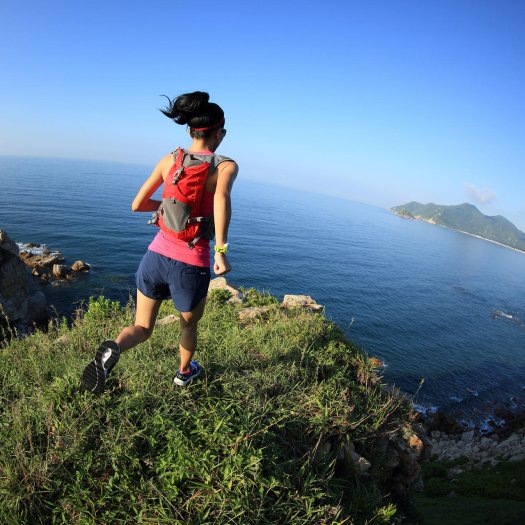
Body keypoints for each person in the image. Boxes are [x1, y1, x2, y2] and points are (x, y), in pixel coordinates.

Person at [81, 91, 238, 393]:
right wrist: (220, 251)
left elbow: (137, 205)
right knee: (188, 325)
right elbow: (221, 199)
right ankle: (184, 372)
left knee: (142, 327)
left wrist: (167, 206)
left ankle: (112, 348)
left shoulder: (170, 160)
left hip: (154, 258)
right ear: (220, 133)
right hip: (190, 264)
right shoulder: (224, 167)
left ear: (191, 130)